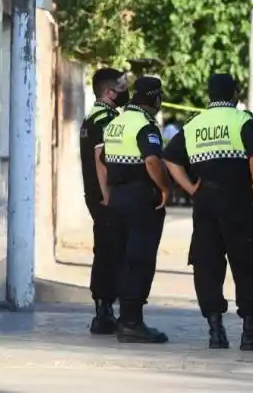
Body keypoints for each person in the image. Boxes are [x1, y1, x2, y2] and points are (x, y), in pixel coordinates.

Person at [162, 73, 253, 352]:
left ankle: (216, 332)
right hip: (239, 201)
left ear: (209, 95)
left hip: (205, 205)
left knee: (207, 265)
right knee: (249, 263)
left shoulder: (195, 124)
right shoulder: (242, 119)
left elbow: (169, 158)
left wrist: (191, 188)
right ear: (235, 94)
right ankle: (250, 335)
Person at [97, 76, 171, 344]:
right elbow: (152, 161)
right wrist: (166, 188)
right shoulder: (144, 124)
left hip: (118, 198)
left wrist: (107, 192)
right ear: (153, 98)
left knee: (123, 258)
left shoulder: (115, 123)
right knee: (140, 259)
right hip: (140, 198)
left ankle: (124, 318)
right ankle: (131, 321)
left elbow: (102, 158)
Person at [78, 67, 130, 334]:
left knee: (107, 250)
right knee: (111, 252)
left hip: (95, 195)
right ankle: (104, 311)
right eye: (122, 86)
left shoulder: (90, 118)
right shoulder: (106, 119)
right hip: (105, 196)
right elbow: (101, 161)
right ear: (109, 92)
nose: (125, 90)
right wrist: (109, 195)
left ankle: (105, 307)